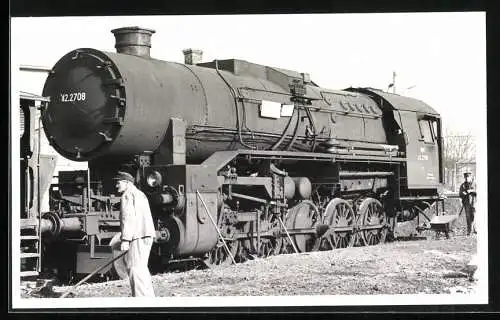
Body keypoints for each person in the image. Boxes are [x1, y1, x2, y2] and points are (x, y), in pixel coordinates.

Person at [113, 171, 156, 297]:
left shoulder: (127, 195)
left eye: (118, 182)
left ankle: (141, 302)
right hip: (146, 235)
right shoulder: (140, 194)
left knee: (135, 269)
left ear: (126, 183)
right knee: (141, 268)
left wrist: (125, 239)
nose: (116, 185)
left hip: (137, 236)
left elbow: (128, 217)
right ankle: (149, 300)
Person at [459, 172, 477, 236]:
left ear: (470, 177)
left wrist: (471, 191)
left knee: (474, 216)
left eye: (468, 177)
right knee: (468, 217)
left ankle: (475, 229)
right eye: (465, 177)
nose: (467, 179)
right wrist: (463, 193)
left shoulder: (474, 184)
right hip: (466, 203)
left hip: (474, 202)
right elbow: (460, 194)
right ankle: (469, 231)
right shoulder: (463, 185)